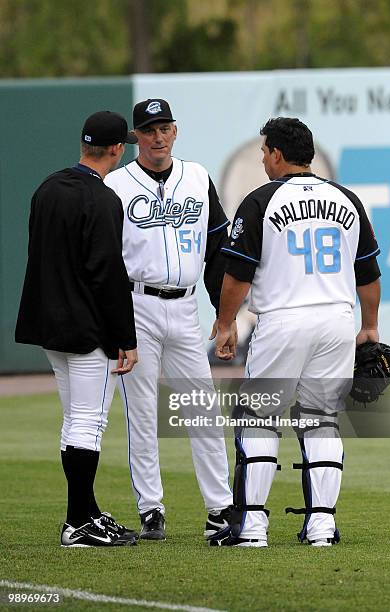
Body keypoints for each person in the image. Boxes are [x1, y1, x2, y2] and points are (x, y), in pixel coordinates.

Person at [213, 117, 381, 547]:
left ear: (278, 155)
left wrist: (226, 322)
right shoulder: (346, 199)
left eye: (265, 151)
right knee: (321, 420)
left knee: (258, 420)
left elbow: (237, 274)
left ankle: (251, 527)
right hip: (337, 320)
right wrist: (370, 327)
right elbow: (368, 273)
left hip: (284, 320)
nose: (263, 158)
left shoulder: (261, 201)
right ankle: (321, 527)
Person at [104, 98, 233, 540]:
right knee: (141, 414)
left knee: (203, 411)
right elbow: (104, 258)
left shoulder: (197, 177)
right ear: (135, 136)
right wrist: (116, 321)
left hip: (184, 305)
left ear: (175, 131)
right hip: (136, 305)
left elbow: (217, 248)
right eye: (149, 129)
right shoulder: (117, 184)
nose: (158, 136)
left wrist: (223, 313)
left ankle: (220, 508)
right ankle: (151, 509)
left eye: (165, 128)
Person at [15, 111, 139, 547]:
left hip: (51, 325)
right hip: (87, 329)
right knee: (88, 424)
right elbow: (107, 272)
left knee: (74, 423)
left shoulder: (48, 188)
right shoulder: (103, 200)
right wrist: (125, 336)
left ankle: (86, 512)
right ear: (116, 149)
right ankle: (77, 523)